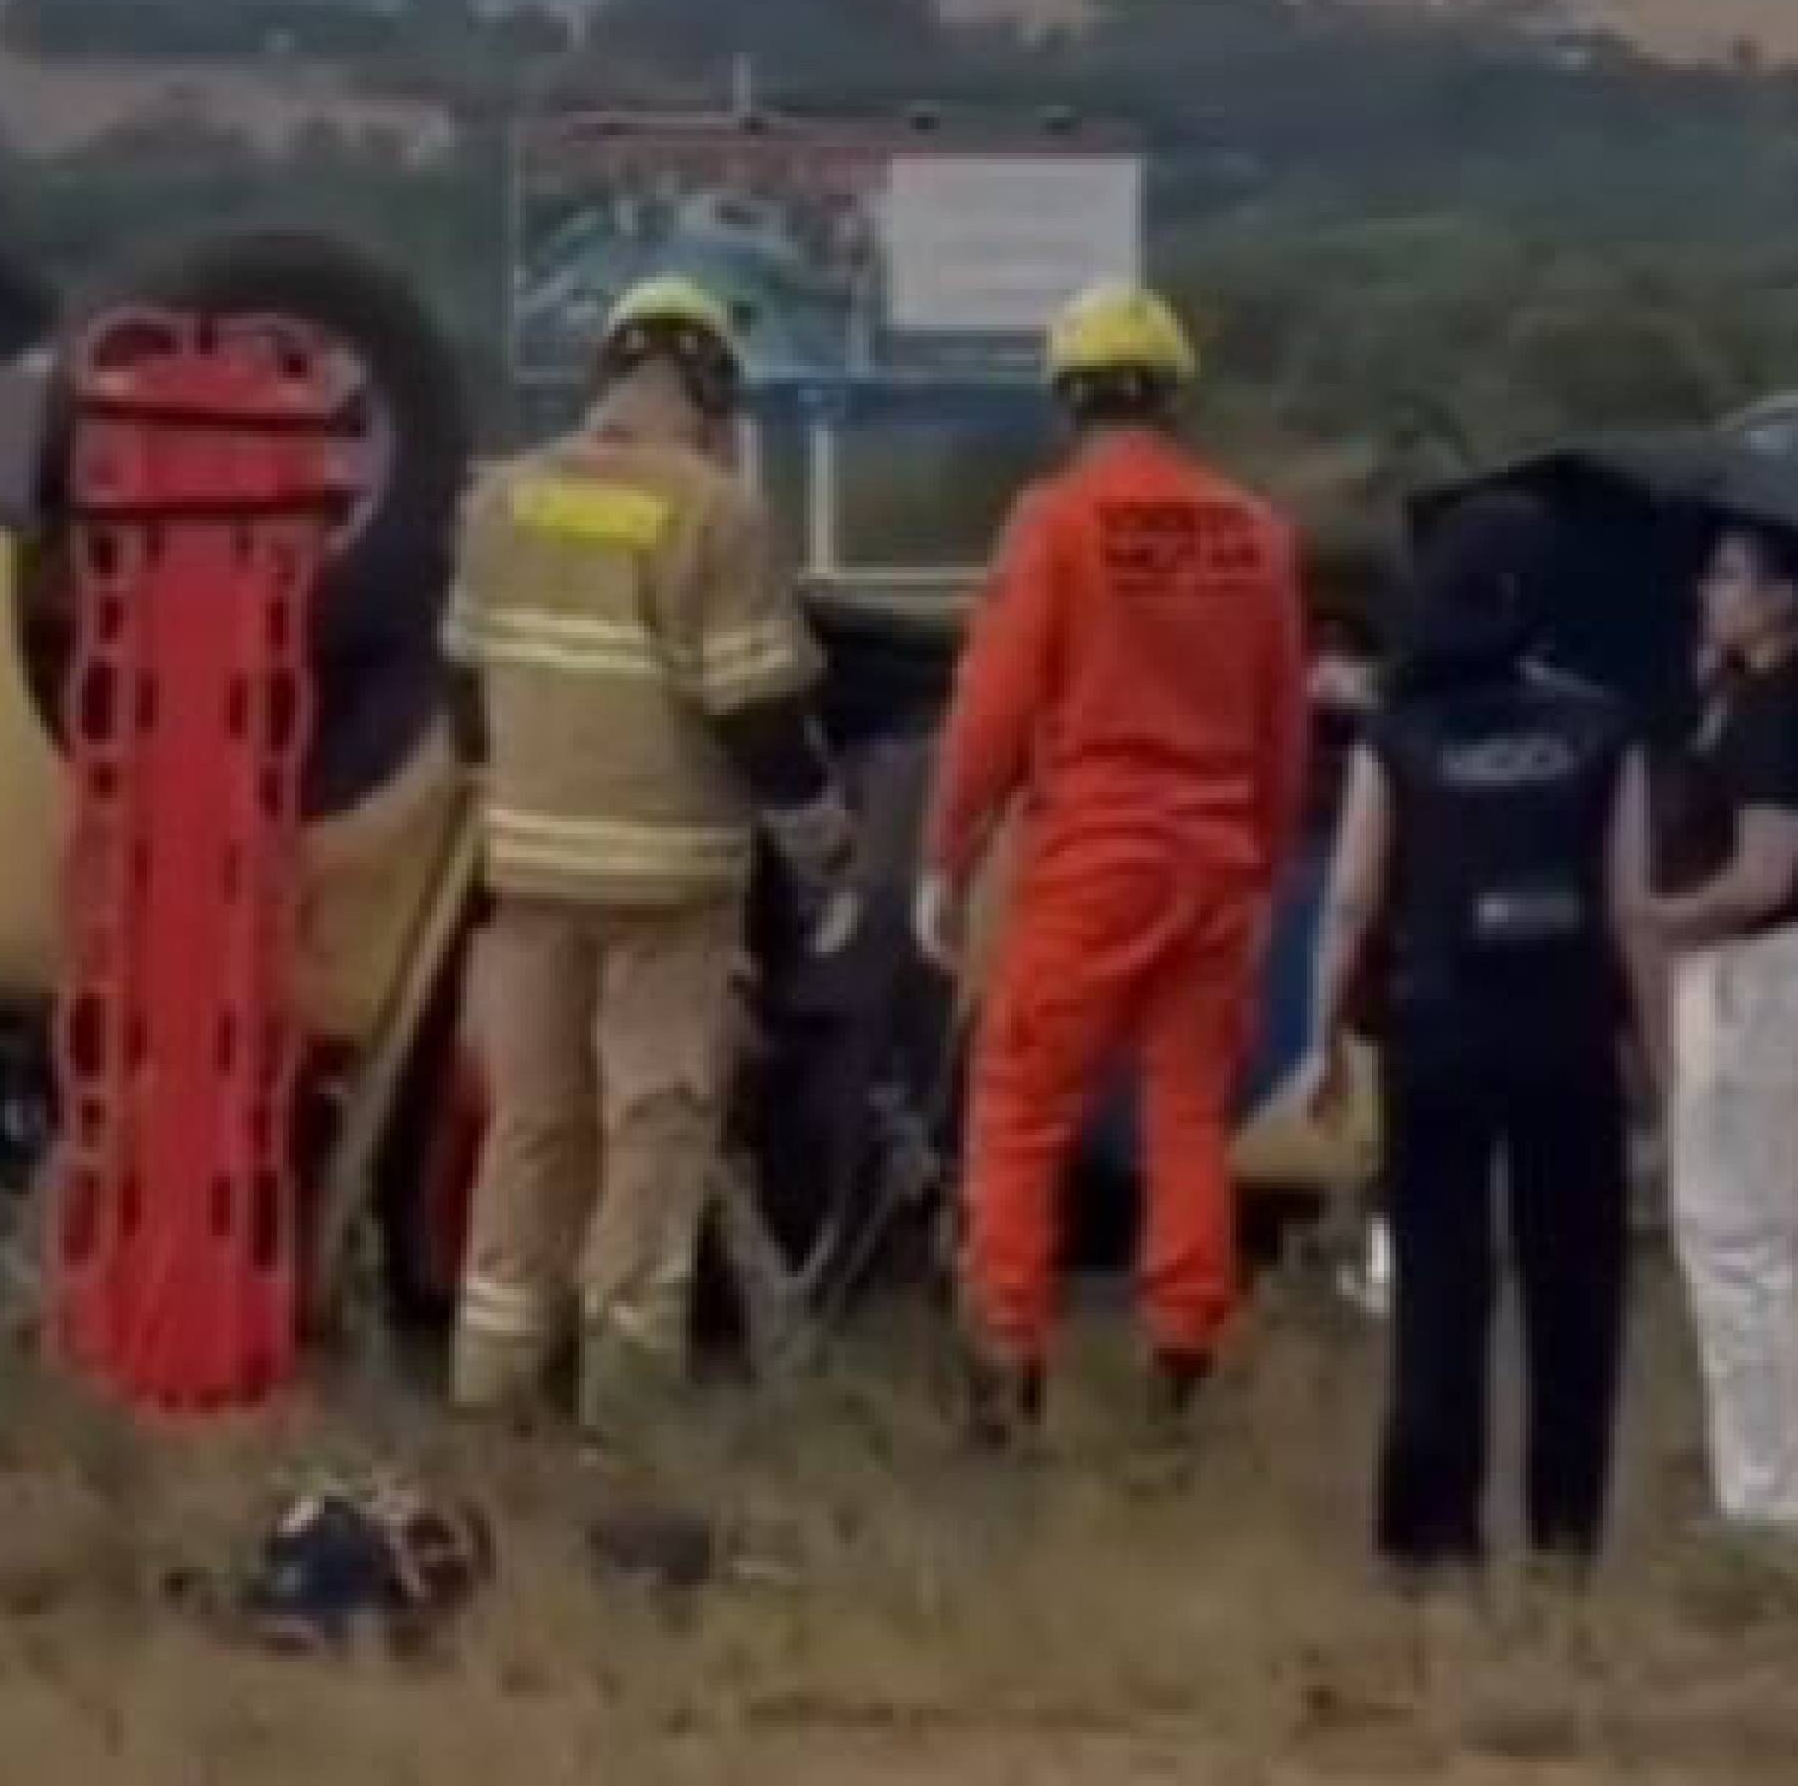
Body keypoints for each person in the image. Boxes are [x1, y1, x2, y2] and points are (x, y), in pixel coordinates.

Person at [438, 275, 855, 1441]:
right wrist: (820, 833)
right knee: (654, 1125)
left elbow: (463, 685)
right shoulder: (715, 512)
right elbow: (756, 710)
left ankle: (492, 1382)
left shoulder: (501, 501)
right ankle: (623, 1401)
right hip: (669, 875)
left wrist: (505, 791)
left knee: (530, 1121)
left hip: (524, 864)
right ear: (712, 391)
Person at [916, 283, 1311, 1447]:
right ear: (1175, 394)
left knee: (1022, 1107)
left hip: (1092, 853)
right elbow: (1282, 717)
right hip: (1217, 861)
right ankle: (1180, 1352)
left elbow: (992, 708)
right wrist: (1262, 859)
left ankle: (1008, 1360)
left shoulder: (1056, 523)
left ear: (1067, 397)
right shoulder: (1256, 530)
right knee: (1190, 1115)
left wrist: (949, 852)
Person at [1303, 495, 1665, 1593]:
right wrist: (1657, 1061)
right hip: (1565, 1035)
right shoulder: (1603, 726)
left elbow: (1353, 899)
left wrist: (1319, 1044)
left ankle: (1430, 1539)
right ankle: (1563, 1537)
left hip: (1436, 1033)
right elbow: (1632, 909)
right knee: (1576, 1294)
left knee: (1440, 1290)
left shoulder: (1399, 728)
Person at [1644, 523, 1798, 1550]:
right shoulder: (1757, 695)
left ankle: (1761, 1500)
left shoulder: (1785, 713)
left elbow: (1762, 875)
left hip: (1764, 982)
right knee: (1791, 1242)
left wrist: (1650, 917)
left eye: (1732, 574)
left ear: (1788, 594)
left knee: (1733, 1240)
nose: (1709, 590)